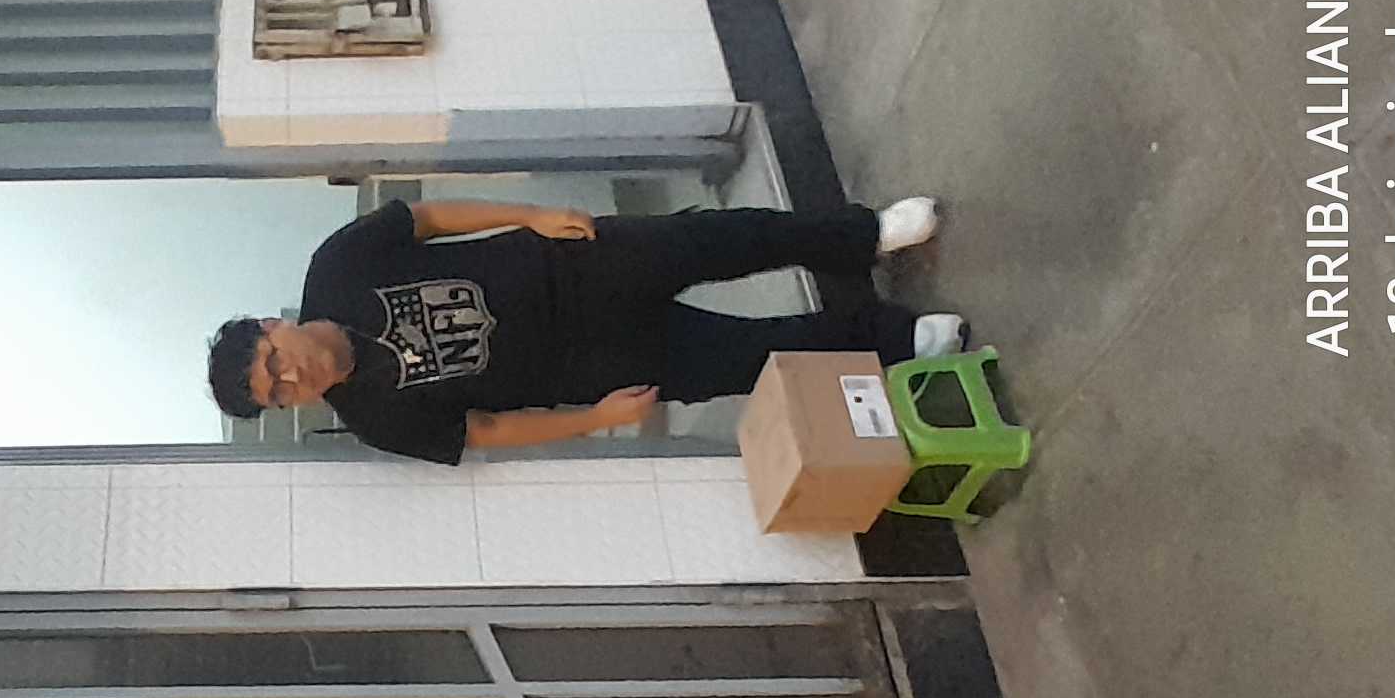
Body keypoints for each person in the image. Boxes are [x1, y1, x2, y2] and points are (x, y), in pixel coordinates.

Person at [205, 194, 962, 466]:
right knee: (754, 360)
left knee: (727, 238)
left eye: (275, 363)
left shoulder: (336, 265)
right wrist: (594, 420)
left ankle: (864, 235)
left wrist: (530, 215)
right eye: (279, 395)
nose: (292, 380)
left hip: (576, 266)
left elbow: (426, 219)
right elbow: (485, 429)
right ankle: (899, 341)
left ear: (274, 327)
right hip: (593, 364)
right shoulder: (375, 420)